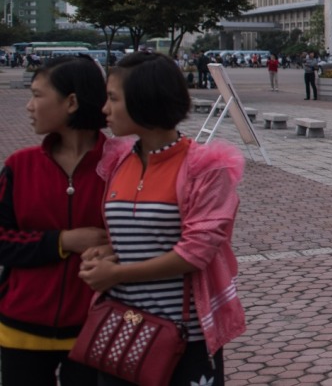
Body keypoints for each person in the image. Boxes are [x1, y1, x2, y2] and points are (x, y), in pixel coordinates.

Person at [79, 52, 245, 384]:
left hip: (182, 338)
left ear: (145, 100)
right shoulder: (117, 162)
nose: (104, 109)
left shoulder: (205, 168)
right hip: (123, 330)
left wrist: (118, 273)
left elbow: (195, 252)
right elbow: (132, 236)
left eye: (113, 99)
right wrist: (105, 254)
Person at [0, 57, 108, 386]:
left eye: (37, 95)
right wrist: (62, 242)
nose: (30, 106)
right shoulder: (20, 165)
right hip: (21, 328)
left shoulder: (120, 166)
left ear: (71, 102)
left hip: (96, 327)